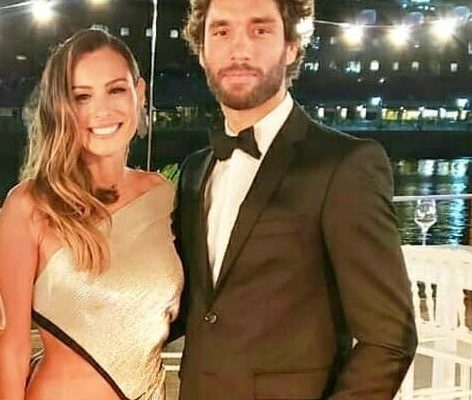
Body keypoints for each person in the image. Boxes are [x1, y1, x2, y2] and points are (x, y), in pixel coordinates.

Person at [172, 0, 418, 399]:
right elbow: (191, 308)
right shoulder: (195, 170)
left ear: (291, 46)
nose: (239, 49)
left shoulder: (346, 165)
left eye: (260, 30)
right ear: (201, 50)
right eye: (221, 31)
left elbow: (390, 339)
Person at [0, 29, 183, 400]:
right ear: (60, 108)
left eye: (116, 90)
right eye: (81, 96)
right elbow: (12, 347)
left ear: (140, 93)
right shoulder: (29, 205)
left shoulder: (164, 196)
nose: (102, 110)